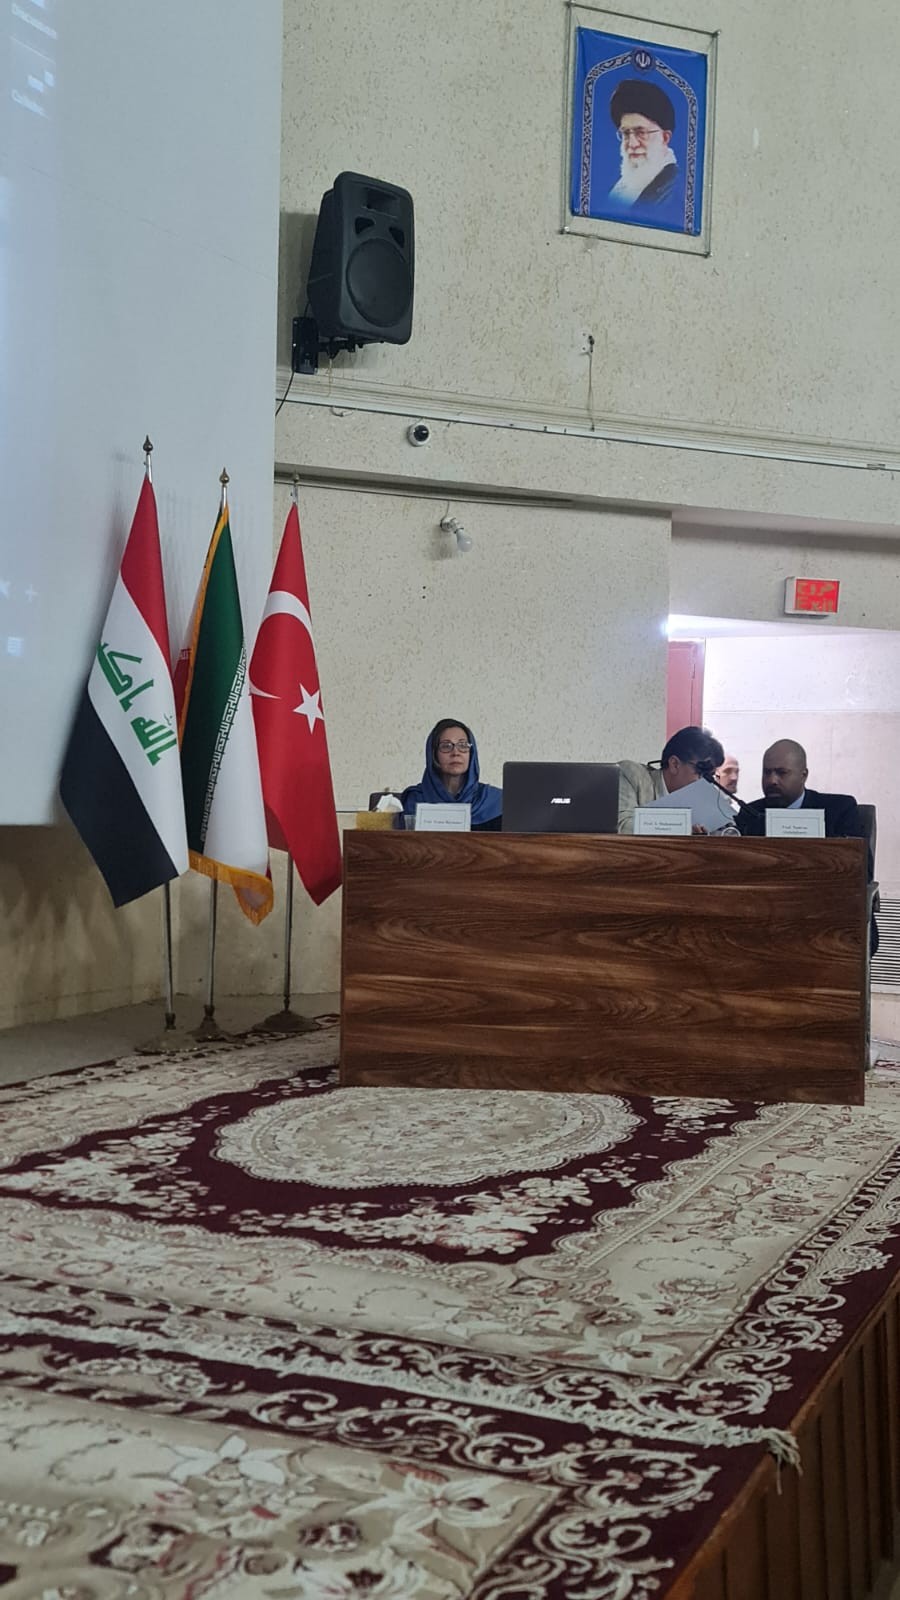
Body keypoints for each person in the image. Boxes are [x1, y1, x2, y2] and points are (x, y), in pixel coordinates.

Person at [737, 739, 878, 951]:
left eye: (781, 773)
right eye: (766, 772)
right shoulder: (751, 813)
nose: (772, 780)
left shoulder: (839, 809)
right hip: (767, 918)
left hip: (828, 917)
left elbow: (862, 870)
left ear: (804, 775)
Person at [617, 725, 735, 835]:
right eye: (701, 772)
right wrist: (682, 828)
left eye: (710, 776)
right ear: (674, 764)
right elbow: (622, 826)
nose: (704, 782)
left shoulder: (705, 801)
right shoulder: (631, 775)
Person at [402, 719, 502, 830]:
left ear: (472, 753)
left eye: (463, 745)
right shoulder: (415, 800)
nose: (455, 753)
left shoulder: (495, 801)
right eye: (446, 746)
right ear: (434, 755)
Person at [608, 80, 680, 213]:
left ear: (665, 138)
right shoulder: (622, 186)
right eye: (626, 133)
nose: (632, 144)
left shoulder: (674, 189)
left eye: (641, 133)